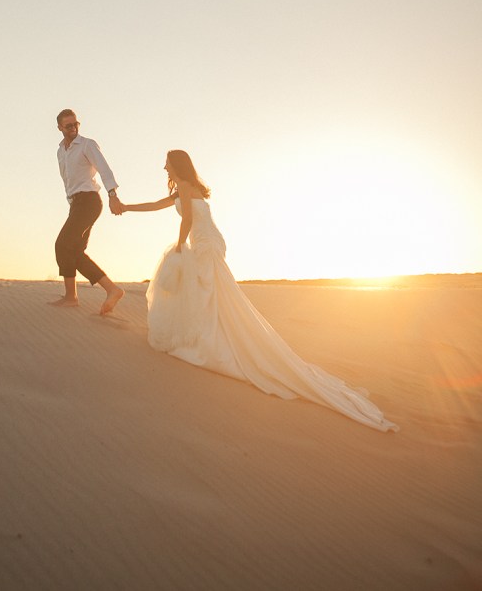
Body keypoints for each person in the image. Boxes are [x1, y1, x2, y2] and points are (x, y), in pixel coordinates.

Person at [117, 149, 398, 432]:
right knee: (206, 294)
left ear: (176, 164)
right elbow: (155, 205)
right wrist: (127, 207)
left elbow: (187, 220)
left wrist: (180, 246)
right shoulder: (180, 190)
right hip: (205, 241)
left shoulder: (187, 187)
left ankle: (212, 342)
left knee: (210, 293)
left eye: (166, 162)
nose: (163, 166)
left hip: (205, 243)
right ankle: (204, 336)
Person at [52, 109, 125, 315]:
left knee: (62, 244)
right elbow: (68, 181)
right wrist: (71, 204)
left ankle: (71, 297)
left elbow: (104, 169)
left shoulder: (87, 144)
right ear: (60, 128)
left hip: (90, 201)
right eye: (68, 126)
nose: (73, 128)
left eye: (76, 124)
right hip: (76, 204)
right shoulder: (61, 151)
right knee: (74, 251)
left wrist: (113, 195)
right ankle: (112, 290)